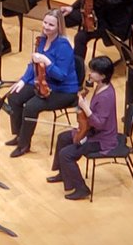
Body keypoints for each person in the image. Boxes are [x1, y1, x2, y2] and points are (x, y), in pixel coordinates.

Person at [7, 10, 79, 156]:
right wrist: (23, 79)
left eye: (51, 24)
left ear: (59, 27)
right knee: (14, 96)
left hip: (63, 90)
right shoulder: (42, 40)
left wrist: (47, 62)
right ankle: (20, 134)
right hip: (43, 82)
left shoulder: (64, 47)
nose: (46, 26)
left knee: (31, 107)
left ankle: (24, 145)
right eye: (45, 22)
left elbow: (61, 75)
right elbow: (33, 64)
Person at [49, 57, 117, 201]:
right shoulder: (99, 85)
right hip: (92, 130)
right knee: (63, 137)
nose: (90, 73)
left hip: (102, 139)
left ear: (103, 76)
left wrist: (85, 108)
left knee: (66, 154)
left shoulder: (106, 96)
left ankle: (82, 189)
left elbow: (100, 124)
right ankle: (64, 174)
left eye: (93, 71)